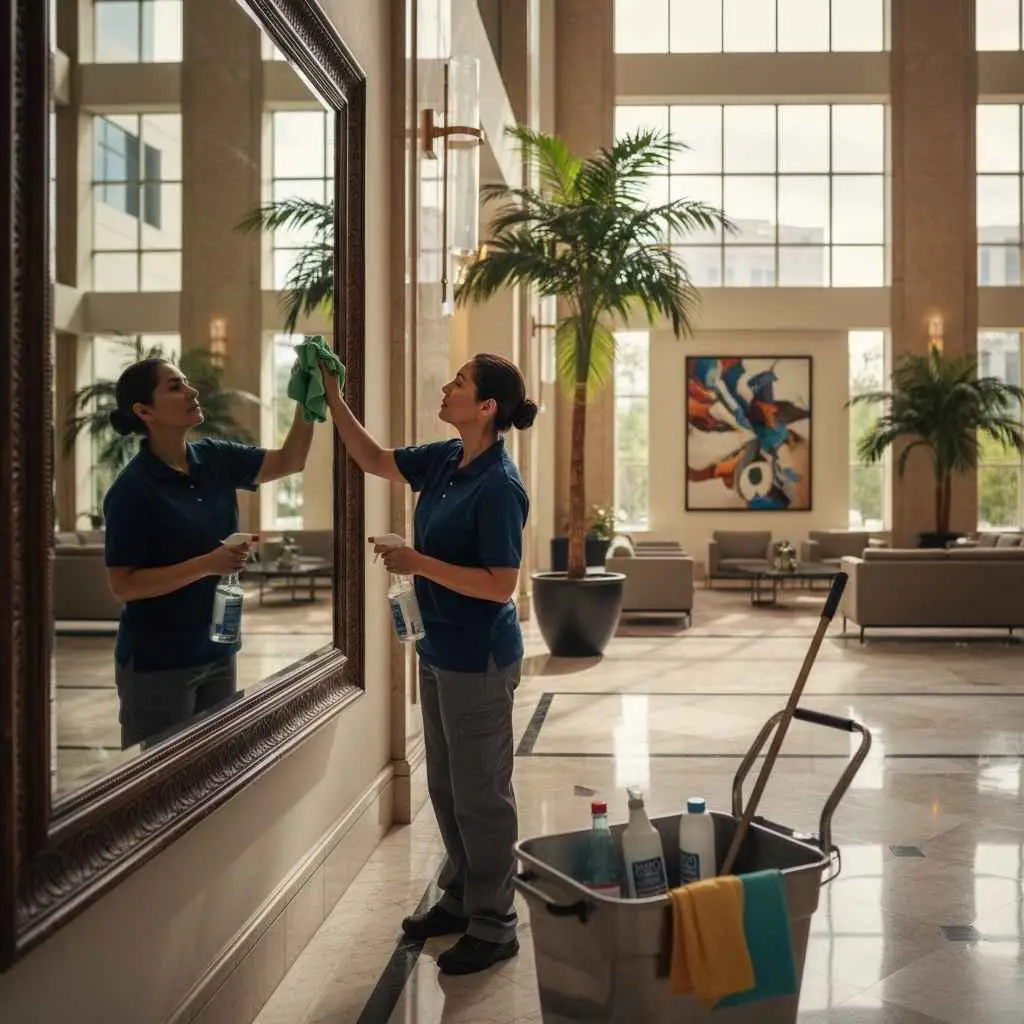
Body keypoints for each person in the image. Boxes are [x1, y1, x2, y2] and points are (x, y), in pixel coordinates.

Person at [321, 353, 537, 976]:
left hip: (480, 658)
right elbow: (373, 459)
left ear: (487, 407)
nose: (446, 388)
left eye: (460, 383)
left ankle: (496, 926)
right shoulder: (445, 460)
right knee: (445, 786)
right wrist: (335, 393)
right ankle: (462, 896)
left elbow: (501, 585)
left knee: (481, 794)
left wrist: (418, 564)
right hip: (438, 649)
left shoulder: (499, 485)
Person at [103, 357, 315, 750]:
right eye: (174, 386)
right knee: (162, 786)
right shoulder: (132, 491)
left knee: (214, 769)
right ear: (143, 411)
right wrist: (208, 564)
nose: (192, 391)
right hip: (159, 661)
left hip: (220, 646)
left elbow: (290, 461)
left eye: (185, 382)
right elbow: (124, 585)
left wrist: (307, 402)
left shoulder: (215, 458)